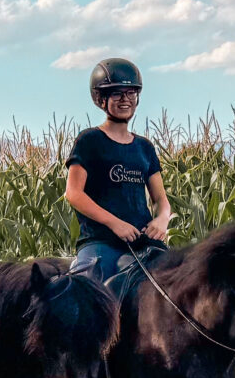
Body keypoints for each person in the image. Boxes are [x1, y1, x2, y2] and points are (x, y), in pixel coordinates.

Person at [65, 57, 171, 287]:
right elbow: (73, 193)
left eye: (131, 93)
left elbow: (160, 199)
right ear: (101, 99)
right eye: (117, 94)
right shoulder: (89, 140)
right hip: (100, 244)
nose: (125, 100)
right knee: (85, 299)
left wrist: (162, 220)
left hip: (142, 244)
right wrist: (115, 224)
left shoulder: (144, 147)